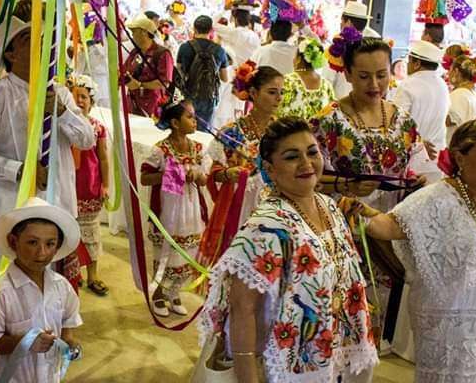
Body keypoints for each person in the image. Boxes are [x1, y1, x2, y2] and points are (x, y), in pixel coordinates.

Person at [349, 117, 476, 383]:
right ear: (460, 157)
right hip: (445, 318)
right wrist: (362, 215)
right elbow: (392, 227)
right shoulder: (435, 197)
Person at [201, 118, 379, 383]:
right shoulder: (267, 226)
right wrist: (248, 376)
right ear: (270, 170)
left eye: (312, 152)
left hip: (329, 357)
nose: (306, 164)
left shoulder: (328, 207)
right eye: (292, 157)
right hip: (284, 369)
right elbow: (242, 309)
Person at [314, 36, 425, 348]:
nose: (375, 84)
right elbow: (307, 177)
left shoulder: (403, 120)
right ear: (347, 74)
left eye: (382, 74)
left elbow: (417, 164)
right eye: (363, 76)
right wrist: (345, 186)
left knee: (382, 308)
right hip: (344, 229)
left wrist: (418, 180)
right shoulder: (329, 120)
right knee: (346, 311)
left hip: (392, 227)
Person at [0, 17, 95, 255]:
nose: (41, 45)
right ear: (11, 55)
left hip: (58, 202)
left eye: (41, 40)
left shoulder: (60, 92)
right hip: (12, 207)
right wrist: (21, 170)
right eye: (29, 40)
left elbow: (87, 139)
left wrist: (62, 112)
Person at [0, 197, 82, 383]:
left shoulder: (62, 287)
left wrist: (71, 345)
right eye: (32, 243)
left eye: (50, 244)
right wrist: (24, 342)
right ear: (13, 241)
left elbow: (67, 328)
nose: (41, 253)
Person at [203, 63, 284, 264]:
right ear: (254, 93)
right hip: (239, 209)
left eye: (281, 93)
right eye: (272, 92)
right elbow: (212, 172)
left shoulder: (284, 132)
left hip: (275, 207)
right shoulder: (232, 132)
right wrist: (229, 173)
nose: (279, 98)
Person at [139, 100, 211, 317]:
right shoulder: (161, 150)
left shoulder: (198, 149)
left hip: (190, 210)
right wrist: (169, 174)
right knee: (165, 253)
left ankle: (174, 291)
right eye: (189, 117)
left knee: (186, 251)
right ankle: (159, 293)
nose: (194, 121)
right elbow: (144, 178)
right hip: (168, 210)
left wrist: (197, 175)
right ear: (175, 123)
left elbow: (205, 179)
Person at [67, 75, 110, 296]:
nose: (80, 101)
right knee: (71, 232)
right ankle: (74, 274)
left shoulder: (98, 127)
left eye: (83, 97)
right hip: (69, 186)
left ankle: (93, 275)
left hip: (90, 186)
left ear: (91, 101)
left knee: (91, 232)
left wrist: (106, 185)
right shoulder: (64, 125)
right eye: (75, 97)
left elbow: (103, 158)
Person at [392, 41, 450, 184]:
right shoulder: (442, 85)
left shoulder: (407, 85)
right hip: (436, 160)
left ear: (417, 63)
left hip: (412, 161)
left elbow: (397, 124)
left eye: (409, 61)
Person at [176, 15, 230, 129]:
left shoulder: (184, 47)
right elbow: (225, 78)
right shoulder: (219, 50)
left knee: (187, 128)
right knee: (203, 132)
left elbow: (179, 72)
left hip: (189, 94)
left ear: (194, 29)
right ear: (211, 30)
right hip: (210, 97)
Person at [123, 13, 174, 118]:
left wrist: (140, 85)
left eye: (134, 32)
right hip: (132, 104)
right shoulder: (135, 52)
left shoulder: (162, 53)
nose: (132, 35)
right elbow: (125, 69)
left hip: (152, 106)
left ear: (144, 33)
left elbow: (164, 82)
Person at [279, 37, 335, 121]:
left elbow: (278, 111)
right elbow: (333, 111)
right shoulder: (326, 85)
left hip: (292, 133)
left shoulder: (287, 81)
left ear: (299, 59)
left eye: (295, 55)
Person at [446, 53, 476, 143]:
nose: (448, 73)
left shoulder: (459, 94)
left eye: (450, 69)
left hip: (456, 145)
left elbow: (446, 122)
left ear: (456, 72)